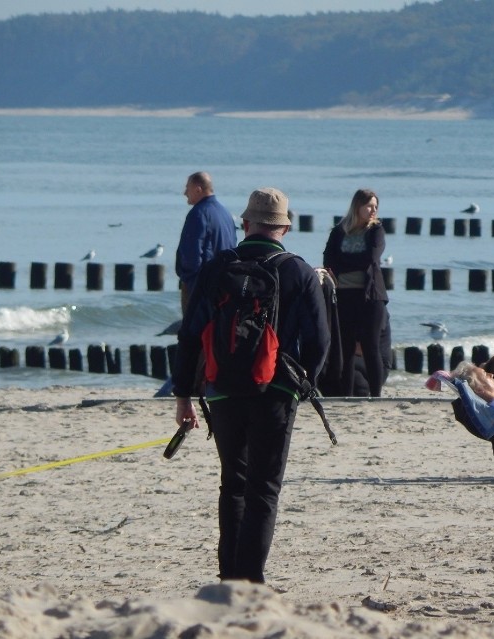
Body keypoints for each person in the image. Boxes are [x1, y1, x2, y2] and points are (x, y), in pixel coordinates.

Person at [172, 187, 331, 584]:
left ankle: (230, 580)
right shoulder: (298, 271)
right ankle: (251, 581)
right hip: (275, 392)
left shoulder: (218, 268)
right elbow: (319, 342)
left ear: (245, 224)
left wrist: (183, 395)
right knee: (263, 489)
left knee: (233, 486)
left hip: (222, 389)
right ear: (285, 228)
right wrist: (303, 383)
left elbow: (190, 335)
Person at [323, 188, 389, 397]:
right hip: (344, 295)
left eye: (375, 206)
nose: (373, 210)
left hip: (371, 296)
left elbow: (370, 258)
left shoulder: (376, 230)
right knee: (346, 348)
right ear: (357, 206)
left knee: (370, 346)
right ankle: (346, 393)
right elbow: (328, 261)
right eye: (369, 205)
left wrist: (343, 263)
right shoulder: (339, 231)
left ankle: (376, 395)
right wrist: (346, 264)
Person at [175, 171, 237, 314]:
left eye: (187, 188)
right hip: (223, 285)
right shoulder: (225, 213)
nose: (185, 193)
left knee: (194, 333)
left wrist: (190, 282)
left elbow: (191, 252)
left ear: (198, 189)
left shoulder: (198, 213)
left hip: (202, 286)